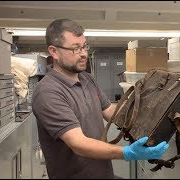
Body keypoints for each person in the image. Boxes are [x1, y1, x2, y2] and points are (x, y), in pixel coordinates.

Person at [31, 19, 169, 179]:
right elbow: (78, 144)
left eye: (84, 46)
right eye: (76, 48)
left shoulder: (86, 79)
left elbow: (110, 111)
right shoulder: (48, 92)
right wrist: (127, 153)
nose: (83, 53)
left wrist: (150, 117)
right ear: (54, 51)